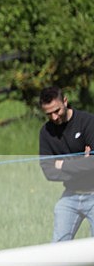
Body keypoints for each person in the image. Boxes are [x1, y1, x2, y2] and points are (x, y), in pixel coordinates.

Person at [38, 86, 94, 247]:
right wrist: (82, 163)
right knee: (58, 247)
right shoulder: (46, 133)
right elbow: (48, 172)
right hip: (70, 195)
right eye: (49, 114)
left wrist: (61, 164)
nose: (54, 117)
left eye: (57, 111)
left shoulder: (88, 122)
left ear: (65, 101)